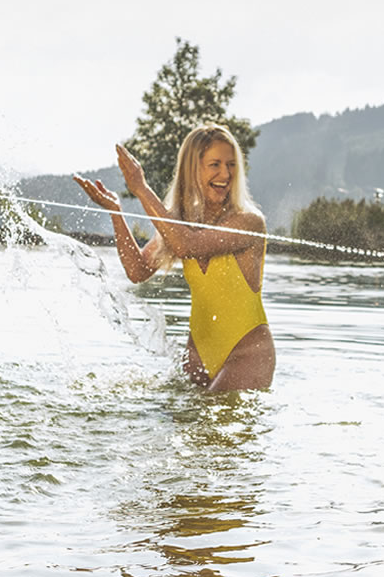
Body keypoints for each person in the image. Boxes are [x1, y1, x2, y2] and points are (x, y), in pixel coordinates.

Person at [74, 124, 274, 391]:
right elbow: (138, 270)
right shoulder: (181, 223)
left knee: (211, 428)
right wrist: (116, 212)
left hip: (246, 355)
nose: (225, 174)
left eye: (231, 165)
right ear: (194, 170)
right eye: (215, 164)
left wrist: (141, 189)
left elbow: (186, 245)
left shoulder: (248, 221)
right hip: (197, 356)